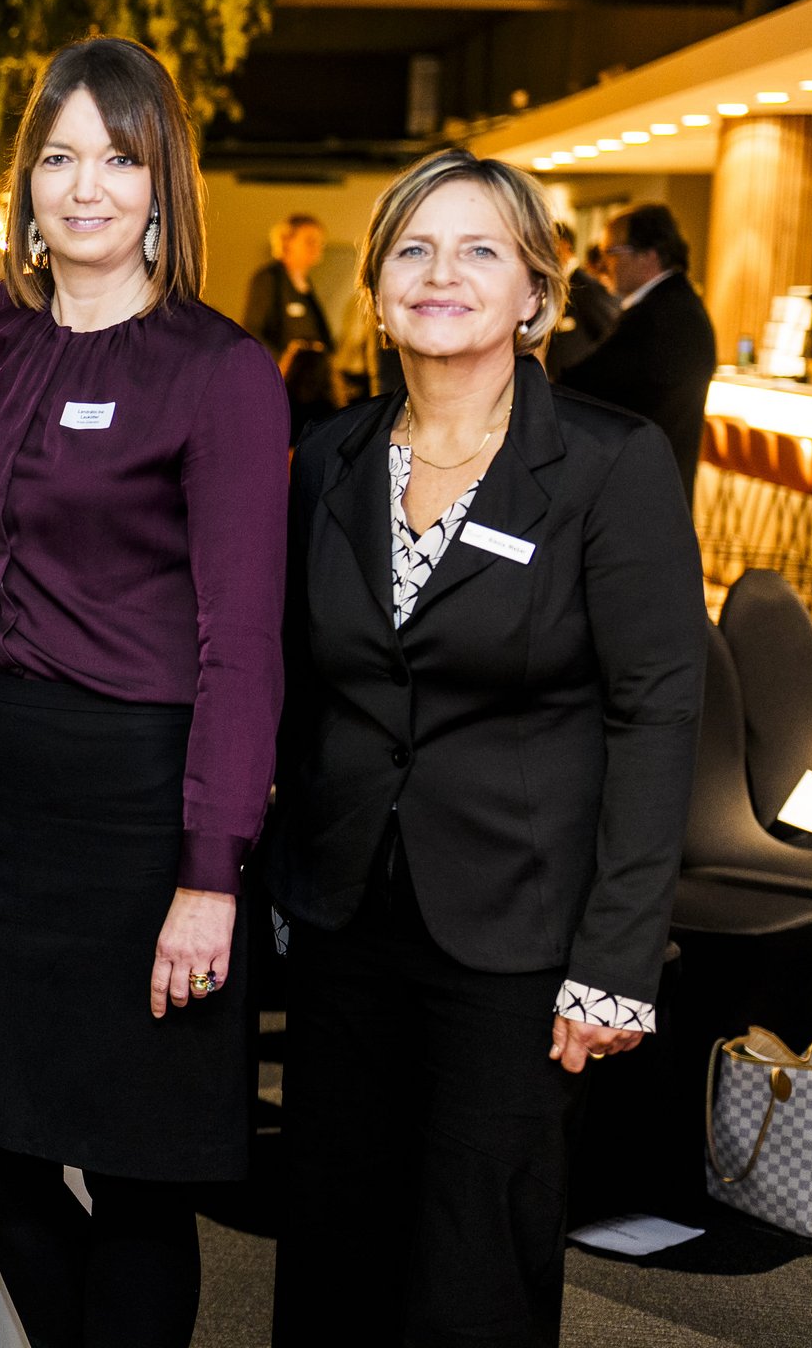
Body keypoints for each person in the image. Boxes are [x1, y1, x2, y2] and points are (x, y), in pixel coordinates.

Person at [268, 149, 704, 1348]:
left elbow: (659, 713)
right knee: (333, 1247)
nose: (440, 273)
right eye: (412, 249)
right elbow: (306, 687)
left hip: (519, 933)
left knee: (476, 1268)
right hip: (345, 919)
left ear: (535, 295)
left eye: (478, 250)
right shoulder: (332, 459)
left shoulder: (609, 464)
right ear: (376, 293)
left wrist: (619, 958)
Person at [0, 36, 289, 1348]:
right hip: (2, 784)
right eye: (60, 158)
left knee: (137, 1177)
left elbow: (244, 645)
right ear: (25, 181)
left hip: (144, 802)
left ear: (162, 182)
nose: (85, 187)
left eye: (118, 160)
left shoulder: (222, 371)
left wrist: (211, 872)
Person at [558, 202, 718, 491]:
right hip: (661, 478)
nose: (604, 263)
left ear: (649, 255)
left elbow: (584, 386)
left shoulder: (657, 314)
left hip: (644, 484)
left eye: (612, 252)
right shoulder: (677, 302)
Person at [244, 213, 331, 361]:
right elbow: (253, 331)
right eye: (310, 241)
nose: (316, 248)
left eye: (320, 242)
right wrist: (281, 362)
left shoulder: (307, 285)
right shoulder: (269, 278)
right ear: (287, 242)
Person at [544, 219, 620, 379]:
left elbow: (611, 335)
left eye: (544, 243)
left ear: (563, 246)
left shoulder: (586, 287)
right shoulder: (548, 285)